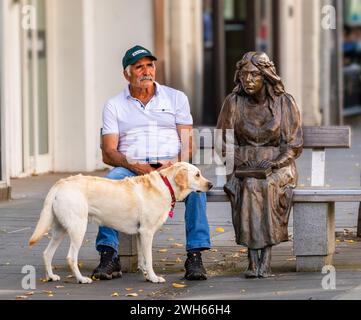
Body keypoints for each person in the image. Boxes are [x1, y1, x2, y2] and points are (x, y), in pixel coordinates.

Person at [91, 45, 211, 281]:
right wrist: (138, 167)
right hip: (129, 167)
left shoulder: (176, 98)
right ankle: (108, 255)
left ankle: (195, 256)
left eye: (150, 65)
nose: (146, 71)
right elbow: (109, 151)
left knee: (196, 190)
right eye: (139, 67)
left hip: (170, 166)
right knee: (109, 183)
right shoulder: (114, 105)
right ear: (127, 74)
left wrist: (173, 166)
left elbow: (187, 145)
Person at [216, 52, 303, 278]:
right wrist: (240, 161)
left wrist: (275, 163)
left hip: (279, 166)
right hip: (242, 165)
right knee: (250, 184)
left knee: (263, 185)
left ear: (266, 76)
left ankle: (264, 258)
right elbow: (223, 141)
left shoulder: (285, 103)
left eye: (254, 75)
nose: (248, 80)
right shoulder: (233, 103)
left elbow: (293, 145)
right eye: (244, 76)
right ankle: (254, 259)